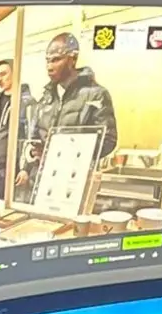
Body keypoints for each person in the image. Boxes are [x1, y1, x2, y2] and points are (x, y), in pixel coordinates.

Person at [16, 31, 118, 198]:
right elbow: (34, 139)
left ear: (73, 59)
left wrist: (63, 153)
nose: (49, 66)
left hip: (73, 184)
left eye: (56, 59)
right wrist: (28, 164)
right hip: (42, 183)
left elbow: (108, 141)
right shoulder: (46, 99)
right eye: (48, 60)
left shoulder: (96, 95)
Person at [0, 60, 33, 200]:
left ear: (15, 74)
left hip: (12, 168)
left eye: (3, 74)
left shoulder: (26, 102)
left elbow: (30, 136)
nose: (0, 79)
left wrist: (25, 168)